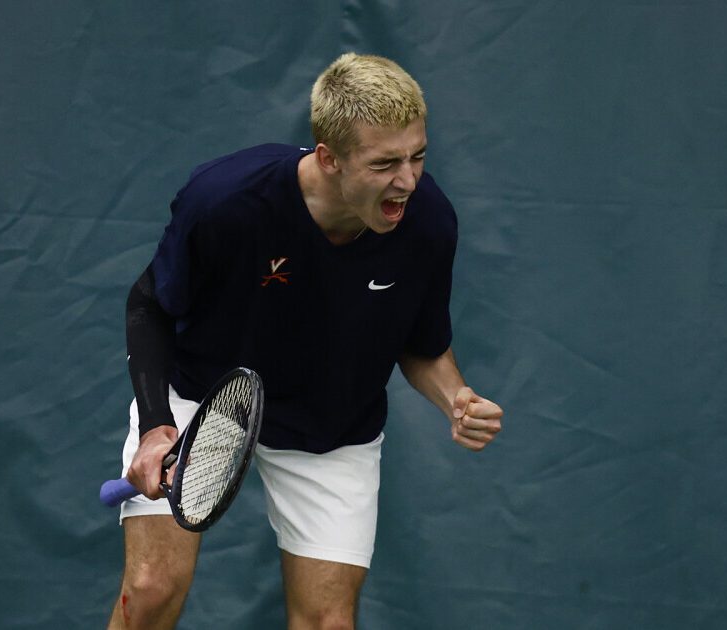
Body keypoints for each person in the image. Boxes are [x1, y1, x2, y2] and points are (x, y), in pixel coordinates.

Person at [107, 52, 504, 629]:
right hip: (202, 399)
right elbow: (149, 305)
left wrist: (457, 398)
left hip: (333, 424)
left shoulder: (429, 223)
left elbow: (421, 344)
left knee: (328, 624)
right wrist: (152, 427)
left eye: (418, 156)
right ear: (328, 158)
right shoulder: (225, 201)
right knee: (149, 589)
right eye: (385, 162)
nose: (408, 180)